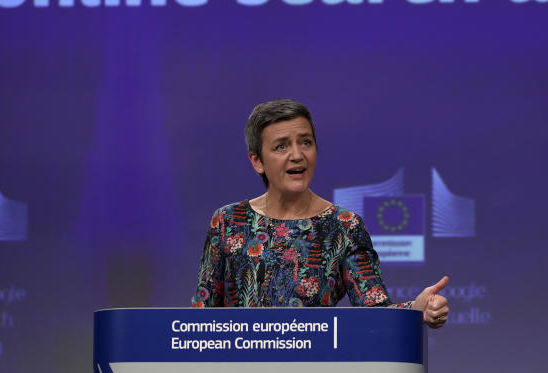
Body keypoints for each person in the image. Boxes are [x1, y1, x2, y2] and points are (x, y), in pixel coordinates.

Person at [191, 99, 449, 328]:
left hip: (314, 372)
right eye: (281, 147)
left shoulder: (344, 226)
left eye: (306, 142)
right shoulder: (228, 221)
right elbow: (200, 317)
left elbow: (375, 312)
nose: (297, 155)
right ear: (257, 160)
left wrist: (417, 309)